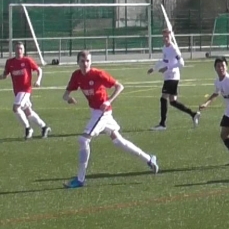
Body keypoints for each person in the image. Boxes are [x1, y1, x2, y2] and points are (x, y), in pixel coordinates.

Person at [62, 50, 159, 188]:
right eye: (82, 61)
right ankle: (149, 159)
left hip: (102, 112)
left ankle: (80, 179)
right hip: (96, 112)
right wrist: (68, 99)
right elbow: (65, 95)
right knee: (119, 141)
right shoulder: (76, 75)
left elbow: (120, 86)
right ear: (78, 62)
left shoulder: (98, 74)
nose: (85, 64)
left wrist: (108, 101)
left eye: (88, 61)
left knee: (83, 140)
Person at [148, 29, 199, 130]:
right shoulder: (165, 48)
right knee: (172, 101)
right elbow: (164, 60)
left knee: (163, 98)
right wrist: (154, 68)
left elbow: (181, 63)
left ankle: (162, 124)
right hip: (168, 77)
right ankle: (193, 114)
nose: (165, 38)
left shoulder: (174, 49)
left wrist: (167, 68)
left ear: (171, 37)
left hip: (172, 77)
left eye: (167, 36)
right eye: (164, 36)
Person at [2, 41, 51, 140]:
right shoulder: (10, 62)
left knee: (16, 108)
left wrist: (38, 80)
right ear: (14, 50)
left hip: (25, 90)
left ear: (23, 50)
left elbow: (39, 70)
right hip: (17, 92)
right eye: (17, 48)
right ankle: (44, 127)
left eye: (21, 48)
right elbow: (4, 75)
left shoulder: (27, 60)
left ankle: (28, 129)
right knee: (29, 112)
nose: (19, 50)